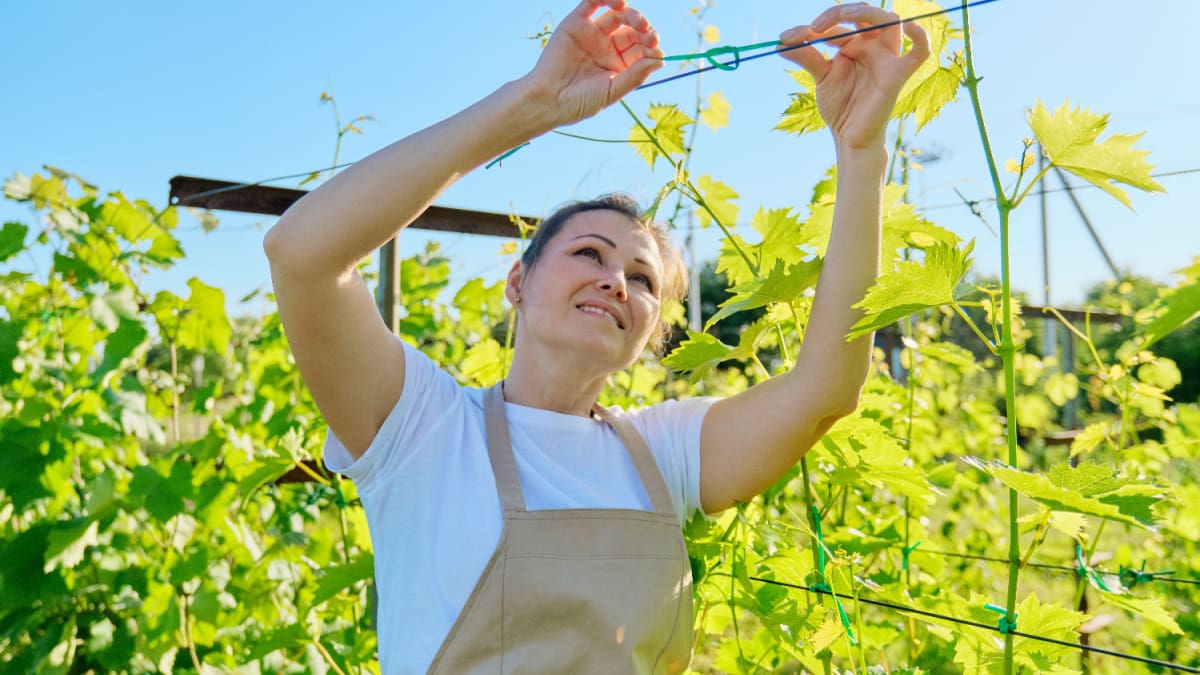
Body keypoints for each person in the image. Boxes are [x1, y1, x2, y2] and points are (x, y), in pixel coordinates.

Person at [263, 1, 929, 672]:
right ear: (517, 283)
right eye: (589, 254)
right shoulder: (424, 427)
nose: (616, 281)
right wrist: (533, 102)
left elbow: (824, 389)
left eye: (642, 278)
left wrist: (861, 150)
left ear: (651, 330)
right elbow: (301, 254)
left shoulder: (661, 454)